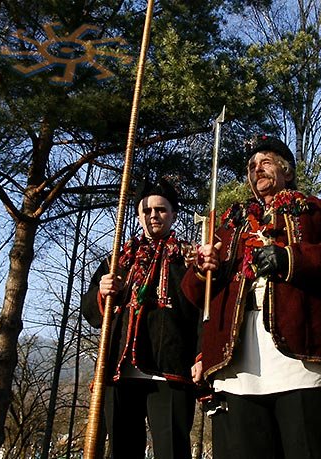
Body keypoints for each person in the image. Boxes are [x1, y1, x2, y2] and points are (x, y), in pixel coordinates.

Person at [181, 135, 321, 459]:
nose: (257, 170)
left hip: (303, 360)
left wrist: (290, 258)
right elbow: (195, 295)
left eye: (265, 162)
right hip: (238, 366)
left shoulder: (319, 212)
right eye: (251, 166)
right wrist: (203, 268)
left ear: (287, 171)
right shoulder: (229, 226)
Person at [81, 178, 199, 459]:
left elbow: (201, 311)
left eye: (161, 210)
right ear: (138, 215)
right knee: (121, 449)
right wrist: (102, 292)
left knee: (172, 450)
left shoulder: (188, 259)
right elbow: (90, 312)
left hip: (170, 370)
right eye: (147, 211)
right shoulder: (118, 260)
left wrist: (200, 355)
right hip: (119, 372)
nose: (153, 216)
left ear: (173, 215)